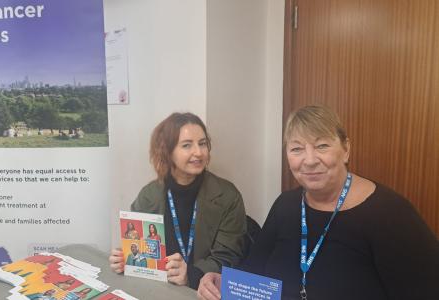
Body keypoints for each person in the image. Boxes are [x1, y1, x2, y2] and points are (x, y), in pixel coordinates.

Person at [197, 105, 439, 300]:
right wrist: (222, 282)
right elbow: (254, 271)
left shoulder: (391, 214)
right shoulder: (286, 206)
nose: (309, 160)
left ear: (346, 149)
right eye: (297, 149)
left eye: (322, 145)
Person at [109, 112, 247, 289]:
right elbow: (138, 245)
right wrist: (126, 260)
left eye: (203, 143)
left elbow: (228, 257)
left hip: (202, 291)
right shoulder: (149, 195)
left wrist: (190, 275)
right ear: (167, 151)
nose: (198, 152)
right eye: (187, 145)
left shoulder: (228, 195)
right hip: (157, 288)